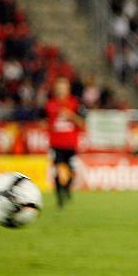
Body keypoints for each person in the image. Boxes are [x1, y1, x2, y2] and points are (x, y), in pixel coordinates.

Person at [45, 77, 84, 208]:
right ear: (55, 89)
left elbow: (82, 123)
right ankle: (59, 198)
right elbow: (44, 122)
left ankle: (67, 189)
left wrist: (71, 115)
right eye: (59, 87)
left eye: (64, 87)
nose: (61, 90)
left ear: (68, 89)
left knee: (71, 171)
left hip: (71, 144)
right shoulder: (50, 105)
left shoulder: (75, 104)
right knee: (57, 171)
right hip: (56, 144)